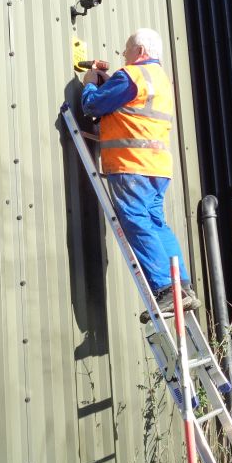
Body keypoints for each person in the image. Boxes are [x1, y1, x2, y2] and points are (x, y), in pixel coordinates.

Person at [81, 28, 200, 318]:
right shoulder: (160, 81)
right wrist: (111, 85)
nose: (124, 56)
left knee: (136, 221)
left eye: (126, 50)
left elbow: (92, 105)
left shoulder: (131, 76)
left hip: (132, 163)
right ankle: (181, 286)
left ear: (141, 52)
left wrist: (89, 84)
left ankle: (165, 290)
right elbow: (133, 112)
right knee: (157, 223)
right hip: (158, 167)